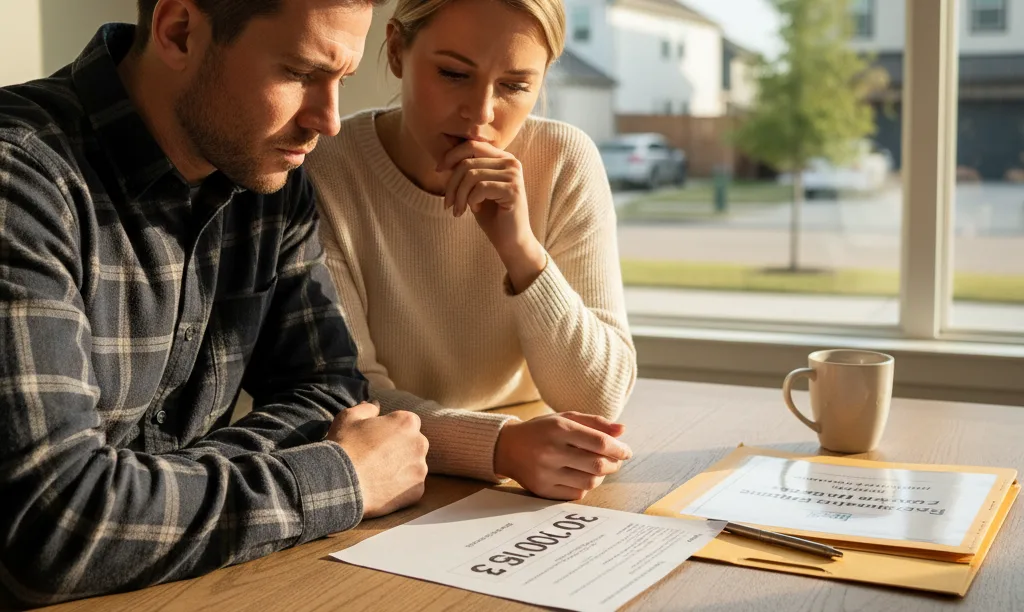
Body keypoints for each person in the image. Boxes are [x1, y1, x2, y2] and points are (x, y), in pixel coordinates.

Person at [0, 0, 429, 607]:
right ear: (179, 31)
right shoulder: (19, 177)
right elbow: (53, 526)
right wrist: (340, 475)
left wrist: (145, 495)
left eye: (343, 81)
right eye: (302, 74)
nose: (329, 120)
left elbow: (331, 391)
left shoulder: (268, 175)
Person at [306, 0, 637, 502]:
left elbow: (597, 399)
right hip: (395, 473)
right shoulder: (326, 168)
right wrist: (497, 446)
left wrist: (520, 248)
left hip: (541, 460)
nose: (481, 113)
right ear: (396, 50)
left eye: (514, 86)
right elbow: (348, 396)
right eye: (454, 73)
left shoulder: (564, 161)